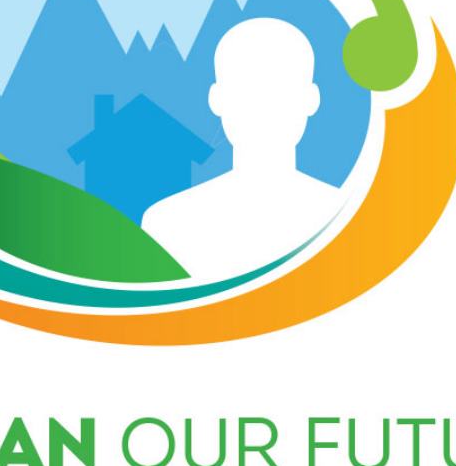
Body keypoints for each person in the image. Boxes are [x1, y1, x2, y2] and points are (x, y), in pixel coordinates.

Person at [135, 16, 345, 276]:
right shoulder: (168, 224)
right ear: (217, 99)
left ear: (311, 99)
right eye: (248, 90)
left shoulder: (344, 217)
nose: (264, 108)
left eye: (278, 90)